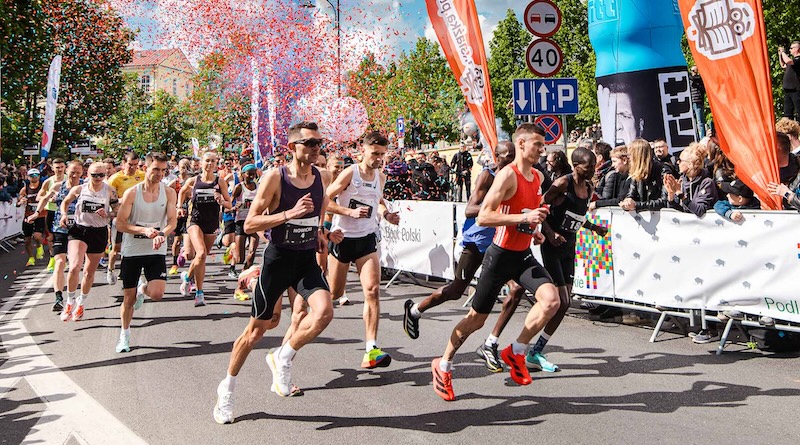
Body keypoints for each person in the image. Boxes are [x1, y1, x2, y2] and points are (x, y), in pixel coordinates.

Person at [213, 121, 343, 424]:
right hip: (278, 260)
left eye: (318, 143)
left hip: (305, 261)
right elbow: (249, 224)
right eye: (309, 143)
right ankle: (227, 389)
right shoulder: (275, 178)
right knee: (259, 330)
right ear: (292, 148)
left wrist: (321, 232)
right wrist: (289, 214)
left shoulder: (322, 176)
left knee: (324, 312)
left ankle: (284, 357)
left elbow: (321, 206)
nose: (316, 149)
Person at [431, 123, 560, 401]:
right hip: (499, 255)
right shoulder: (506, 176)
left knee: (551, 300)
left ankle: (516, 350)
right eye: (537, 144)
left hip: (522, 255)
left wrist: (534, 228)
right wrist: (522, 219)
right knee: (475, 321)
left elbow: (532, 209)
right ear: (522, 143)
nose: (542, 149)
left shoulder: (537, 176)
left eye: (543, 144)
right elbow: (483, 217)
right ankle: (444, 364)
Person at [403, 141, 525, 373]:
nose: (509, 161)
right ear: (496, 158)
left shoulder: (516, 177)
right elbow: (470, 209)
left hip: (499, 244)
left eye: (512, 157)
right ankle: (416, 310)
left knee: (517, 289)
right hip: (475, 242)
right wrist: (496, 206)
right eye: (504, 157)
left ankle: (491, 343)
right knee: (456, 290)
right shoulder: (487, 177)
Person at [527, 147, 608, 371]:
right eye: (588, 165)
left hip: (570, 247)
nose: (592, 169)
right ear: (576, 165)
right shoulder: (563, 184)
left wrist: (594, 228)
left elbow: (577, 217)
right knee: (561, 302)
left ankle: (536, 349)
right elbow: (539, 207)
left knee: (564, 304)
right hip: (553, 246)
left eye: (593, 165)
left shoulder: (590, 186)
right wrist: (550, 233)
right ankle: (529, 347)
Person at [325, 132, 401, 368]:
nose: (378, 158)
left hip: (367, 238)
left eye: (382, 154)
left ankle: (371, 349)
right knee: (334, 295)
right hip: (343, 238)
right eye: (374, 153)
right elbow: (324, 200)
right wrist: (348, 212)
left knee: (372, 290)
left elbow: (376, 202)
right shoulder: (350, 173)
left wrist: (386, 214)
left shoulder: (381, 176)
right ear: (363, 151)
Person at [114, 152, 177, 352]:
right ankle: (125, 334)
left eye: (163, 170)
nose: (160, 173)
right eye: (156, 169)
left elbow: (172, 221)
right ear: (145, 169)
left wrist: (162, 234)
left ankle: (144, 289)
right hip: (132, 250)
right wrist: (143, 230)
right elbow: (120, 224)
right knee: (128, 299)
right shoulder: (132, 193)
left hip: (156, 250)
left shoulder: (168, 193)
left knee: (157, 293)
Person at [59, 162, 118, 322]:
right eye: (94, 175)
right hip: (79, 230)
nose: (98, 178)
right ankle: (70, 301)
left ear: (105, 175)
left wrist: (107, 214)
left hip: (98, 232)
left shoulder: (110, 191)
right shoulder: (80, 189)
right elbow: (65, 202)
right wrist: (64, 214)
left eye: (101, 175)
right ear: (88, 175)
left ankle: (81, 302)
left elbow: (117, 210)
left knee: (88, 272)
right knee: (74, 267)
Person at [178, 152, 232, 306]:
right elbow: (182, 192)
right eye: (207, 161)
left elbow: (229, 204)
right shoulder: (194, 180)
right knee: (200, 253)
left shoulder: (219, 182)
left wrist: (221, 201)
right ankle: (200, 293)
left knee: (202, 257)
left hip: (212, 222)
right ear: (201, 163)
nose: (210, 164)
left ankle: (188, 278)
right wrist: (179, 207)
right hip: (195, 220)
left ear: (216, 164)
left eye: (213, 161)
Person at [28, 160, 83, 311]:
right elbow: (44, 198)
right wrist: (36, 213)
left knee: (75, 266)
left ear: (82, 173)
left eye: (78, 172)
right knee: (59, 262)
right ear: (67, 171)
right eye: (72, 172)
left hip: (80, 231)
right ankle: (58, 298)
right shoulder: (58, 186)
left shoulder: (85, 187)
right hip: (61, 228)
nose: (74, 175)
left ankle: (74, 297)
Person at [106, 152, 145, 284]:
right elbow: (110, 200)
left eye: (135, 165)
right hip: (120, 217)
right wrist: (123, 200)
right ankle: (110, 269)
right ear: (123, 164)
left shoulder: (142, 176)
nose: (133, 167)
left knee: (135, 247)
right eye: (130, 165)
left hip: (137, 217)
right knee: (117, 248)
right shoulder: (115, 179)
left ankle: (132, 273)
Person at [229, 164, 260, 298]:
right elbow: (231, 203)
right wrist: (235, 206)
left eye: (253, 173)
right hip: (241, 222)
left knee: (252, 253)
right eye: (249, 173)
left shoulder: (258, 187)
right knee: (240, 258)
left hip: (254, 222)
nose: (252, 176)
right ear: (243, 174)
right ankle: (232, 249)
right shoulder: (239, 187)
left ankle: (244, 276)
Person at [664, 143, 718, 217]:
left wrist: (680, 194)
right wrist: (671, 196)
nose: (677, 162)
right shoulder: (682, 181)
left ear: (690, 164)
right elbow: (679, 211)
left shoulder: (707, 183)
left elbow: (700, 210)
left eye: (680, 160)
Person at [620, 139, 667, 212]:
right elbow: (631, 193)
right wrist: (627, 201)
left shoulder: (663, 170)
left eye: (630, 155)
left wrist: (637, 205)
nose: (628, 158)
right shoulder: (637, 172)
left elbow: (665, 201)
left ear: (638, 156)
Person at [38, 158, 66, 272]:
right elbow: (39, 197)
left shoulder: (69, 179)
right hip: (51, 211)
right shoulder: (48, 181)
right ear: (53, 168)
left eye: (61, 167)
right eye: (57, 167)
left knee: (65, 236)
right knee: (51, 237)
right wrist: (49, 199)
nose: (59, 169)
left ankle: (63, 258)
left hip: (65, 212)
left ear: (65, 168)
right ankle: (52, 259)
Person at [168, 158, 192, 275]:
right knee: (177, 241)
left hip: (190, 214)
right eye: (181, 167)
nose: (183, 170)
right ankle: (174, 264)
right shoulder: (175, 182)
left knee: (189, 240)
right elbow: (167, 194)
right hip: (178, 214)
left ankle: (185, 252)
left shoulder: (192, 182)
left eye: (186, 167)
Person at [18, 168, 46, 267]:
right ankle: (31, 258)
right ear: (28, 177)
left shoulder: (42, 187)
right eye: (32, 176)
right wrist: (21, 201)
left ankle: (39, 246)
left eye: (36, 175)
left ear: (39, 176)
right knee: (27, 240)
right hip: (28, 215)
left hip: (40, 215)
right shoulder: (25, 189)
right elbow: (18, 202)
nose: (34, 178)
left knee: (37, 236)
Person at [591, 145, 630, 209]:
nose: (612, 165)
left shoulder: (630, 179)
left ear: (624, 160)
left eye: (614, 161)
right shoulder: (621, 176)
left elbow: (619, 200)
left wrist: (597, 204)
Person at [779, 42, 800, 121]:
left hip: (796, 89)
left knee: (798, 111)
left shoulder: (798, 60)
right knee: (787, 113)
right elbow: (783, 65)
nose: (790, 50)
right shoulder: (792, 61)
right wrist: (780, 55)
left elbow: (788, 61)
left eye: (791, 48)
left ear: (797, 49)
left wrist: (783, 52)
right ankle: (789, 130)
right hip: (788, 89)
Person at [689, 66, 706, 138]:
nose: (692, 72)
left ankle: (702, 138)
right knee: (693, 122)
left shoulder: (699, 79)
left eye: (693, 71)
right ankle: (696, 137)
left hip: (698, 102)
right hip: (692, 102)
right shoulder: (691, 81)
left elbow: (693, 78)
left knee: (700, 122)